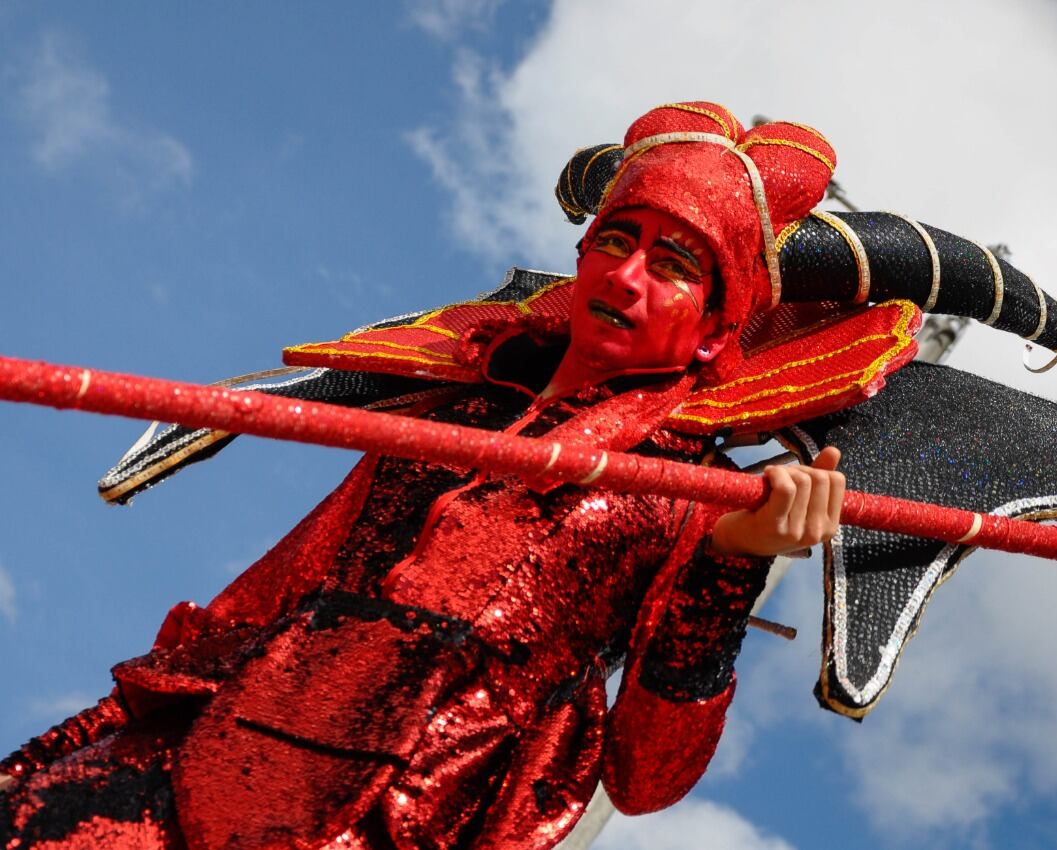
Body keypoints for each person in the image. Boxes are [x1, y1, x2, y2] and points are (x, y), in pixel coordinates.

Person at [1, 103, 850, 850]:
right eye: (616, 242)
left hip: (412, 810)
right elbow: (280, 589)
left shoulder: (691, 494)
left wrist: (732, 563)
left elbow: (649, 775)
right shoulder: (451, 407)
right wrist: (138, 711)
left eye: (672, 266)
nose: (626, 274)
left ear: (713, 331)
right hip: (200, 747)